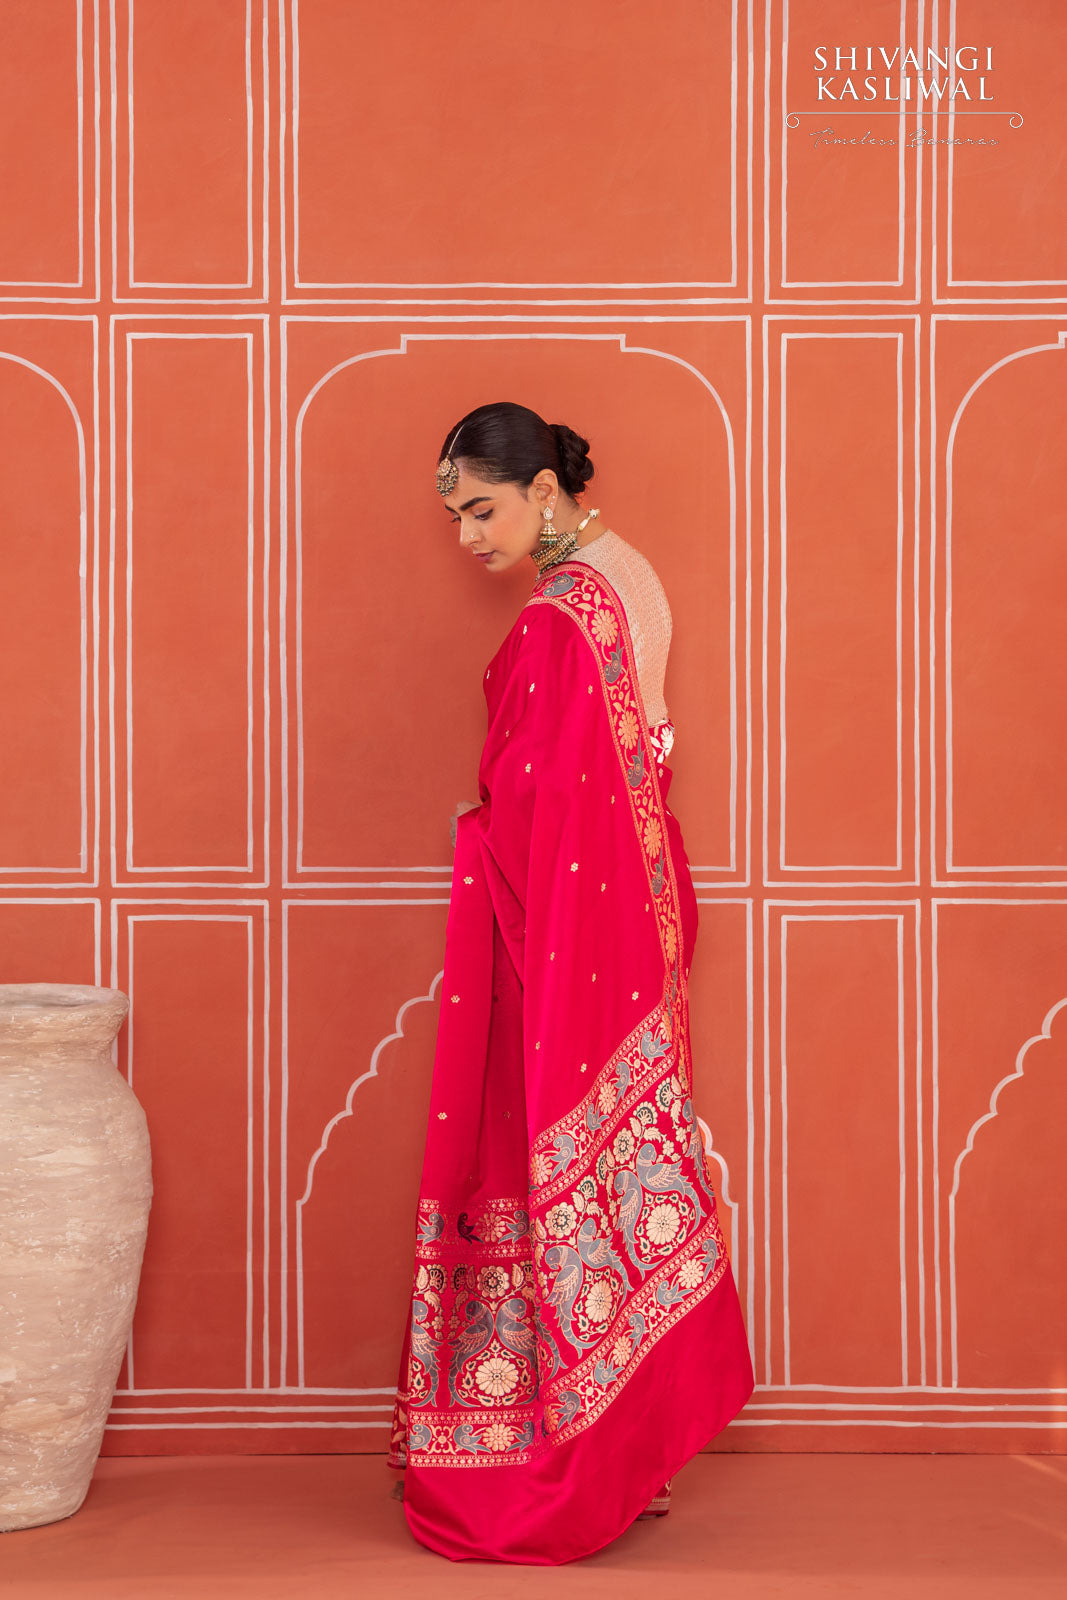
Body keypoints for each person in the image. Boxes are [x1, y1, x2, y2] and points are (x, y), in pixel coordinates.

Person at [387, 401, 754, 1564]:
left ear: (543, 489)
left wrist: (477, 837)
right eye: (454, 518)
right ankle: (618, 1436)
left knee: (533, 1154)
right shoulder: (626, 575)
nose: (467, 538)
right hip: (630, 922)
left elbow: (546, 801)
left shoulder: (561, 616)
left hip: (566, 934)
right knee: (602, 1169)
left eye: (481, 510)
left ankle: (560, 1458)